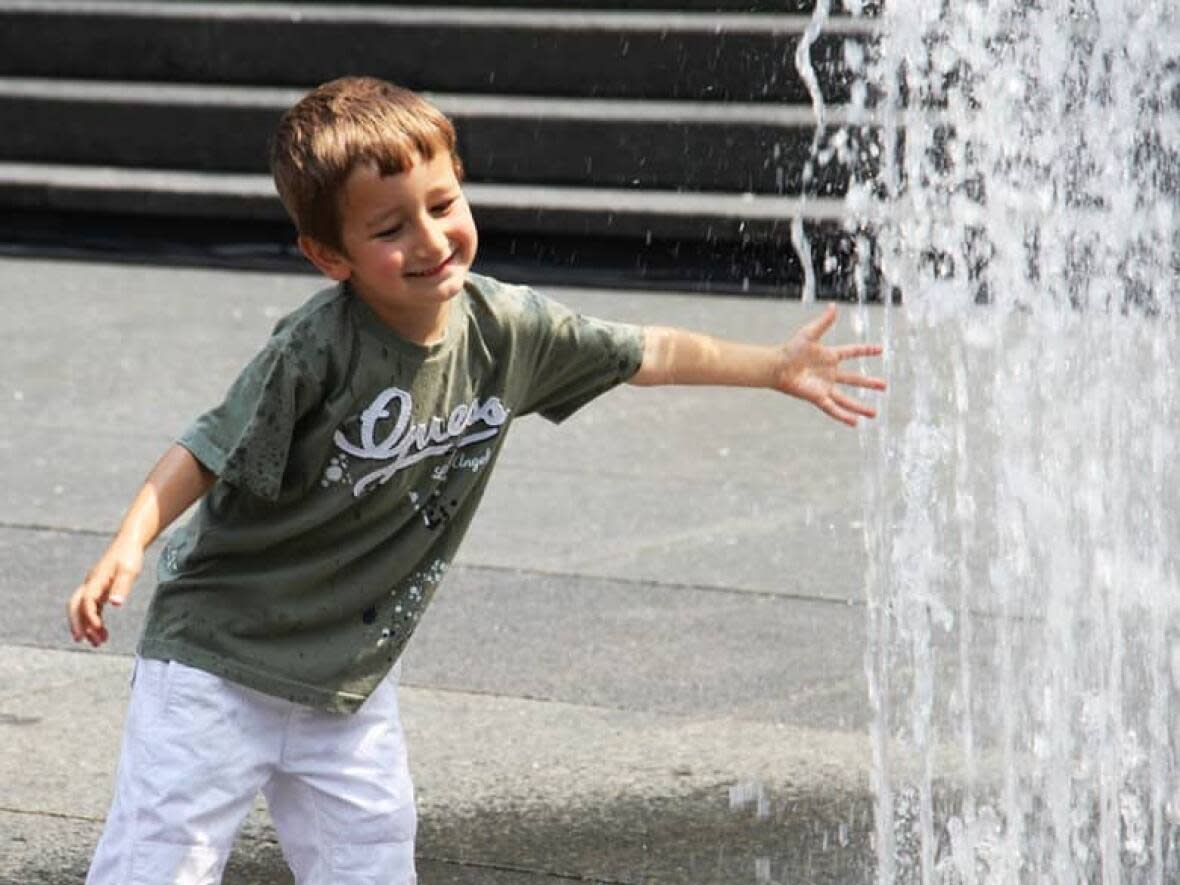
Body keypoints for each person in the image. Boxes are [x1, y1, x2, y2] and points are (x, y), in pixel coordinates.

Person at [66, 76, 885, 885]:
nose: (429, 240)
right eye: (389, 227)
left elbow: (647, 352)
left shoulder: (506, 330)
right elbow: (208, 446)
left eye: (443, 204)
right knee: (158, 863)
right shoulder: (316, 350)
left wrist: (774, 368)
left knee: (373, 859)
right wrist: (129, 542)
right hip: (217, 663)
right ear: (328, 256)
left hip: (347, 680)